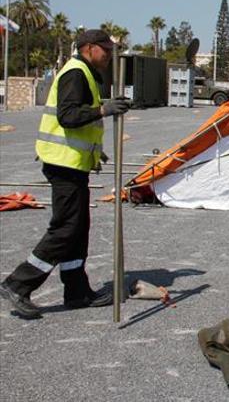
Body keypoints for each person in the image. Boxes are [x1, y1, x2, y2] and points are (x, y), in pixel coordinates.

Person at [0, 29, 131, 319]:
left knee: (78, 227)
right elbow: (68, 116)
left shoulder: (85, 72)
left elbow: (79, 124)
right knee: (66, 228)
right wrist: (104, 109)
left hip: (74, 163)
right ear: (87, 48)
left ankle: (77, 291)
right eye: (104, 49)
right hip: (63, 165)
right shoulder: (75, 73)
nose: (108, 55)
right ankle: (18, 284)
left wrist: (95, 152)